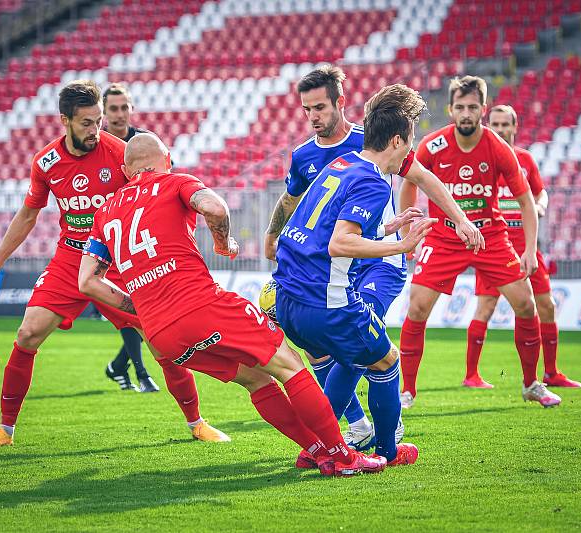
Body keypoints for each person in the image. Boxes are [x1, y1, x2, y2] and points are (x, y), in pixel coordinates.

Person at [77, 132, 386, 477]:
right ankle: (343, 458)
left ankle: (315, 450)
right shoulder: (175, 181)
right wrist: (224, 243)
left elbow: (87, 281)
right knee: (289, 364)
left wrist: (137, 306)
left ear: (125, 169)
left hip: (160, 332)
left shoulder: (105, 211)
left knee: (255, 379)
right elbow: (215, 207)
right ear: (165, 159)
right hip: (201, 305)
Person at [0, 80, 229, 449]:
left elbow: (153, 196)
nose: (96, 130)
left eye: (97, 121)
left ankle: (197, 423)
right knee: (28, 334)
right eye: (86, 123)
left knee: (162, 345)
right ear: (65, 121)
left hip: (120, 262)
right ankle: (4, 431)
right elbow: (29, 215)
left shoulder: (119, 153)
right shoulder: (46, 163)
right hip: (70, 258)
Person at [263, 66, 483, 450]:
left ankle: (345, 437)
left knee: (359, 348)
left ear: (340, 103)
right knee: (360, 351)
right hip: (335, 269)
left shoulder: (368, 144)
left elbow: (425, 179)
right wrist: (401, 241)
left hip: (373, 266)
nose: (313, 116)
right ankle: (356, 440)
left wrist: (458, 219)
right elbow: (314, 219)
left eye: (319, 107)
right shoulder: (314, 158)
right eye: (307, 109)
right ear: (400, 139)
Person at [274, 84, 434, 467]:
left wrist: (387, 227)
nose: (409, 153)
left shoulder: (339, 165)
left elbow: (321, 228)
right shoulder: (374, 181)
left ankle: (319, 449)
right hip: (325, 302)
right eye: (408, 143)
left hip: (287, 300)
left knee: (355, 358)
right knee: (387, 361)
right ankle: (387, 452)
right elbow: (341, 244)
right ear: (396, 140)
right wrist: (401, 245)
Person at [398, 75, 562, 409]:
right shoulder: (433, 145)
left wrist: (530, 250)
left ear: (482, 110)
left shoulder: (499, 148)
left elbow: (527, 200)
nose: (466, 113)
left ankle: (532, 384)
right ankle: (407, 391)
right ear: (450, 109)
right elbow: (408, 184)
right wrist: (408, 232)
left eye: (473, 107)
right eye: (460, 107)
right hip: (444, 235)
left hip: (490, 235)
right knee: (416, 306)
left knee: (526, 303)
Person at [463, 105, 581, 389]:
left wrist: (539, 206)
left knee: (546, 306)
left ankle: (551, 372)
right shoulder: (484, 159)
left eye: (506, 124)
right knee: (486, 307)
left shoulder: (525, 160)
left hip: (527, 245)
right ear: (487, 125)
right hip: (495, 246)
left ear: (515, 127)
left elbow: (540, 193)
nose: (501, 129)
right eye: (496, 124)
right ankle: (471, 375)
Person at [99, 82, 158, 393]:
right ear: (104, 113)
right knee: (130, 308)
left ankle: (119, 366)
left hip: (141, 237)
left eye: (124, 108)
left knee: (143, 308)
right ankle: (141, 371)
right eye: (113, 109)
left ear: (131, 109)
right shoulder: (97, 146)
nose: (119, 114)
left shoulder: (145, 143)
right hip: (110, 239)